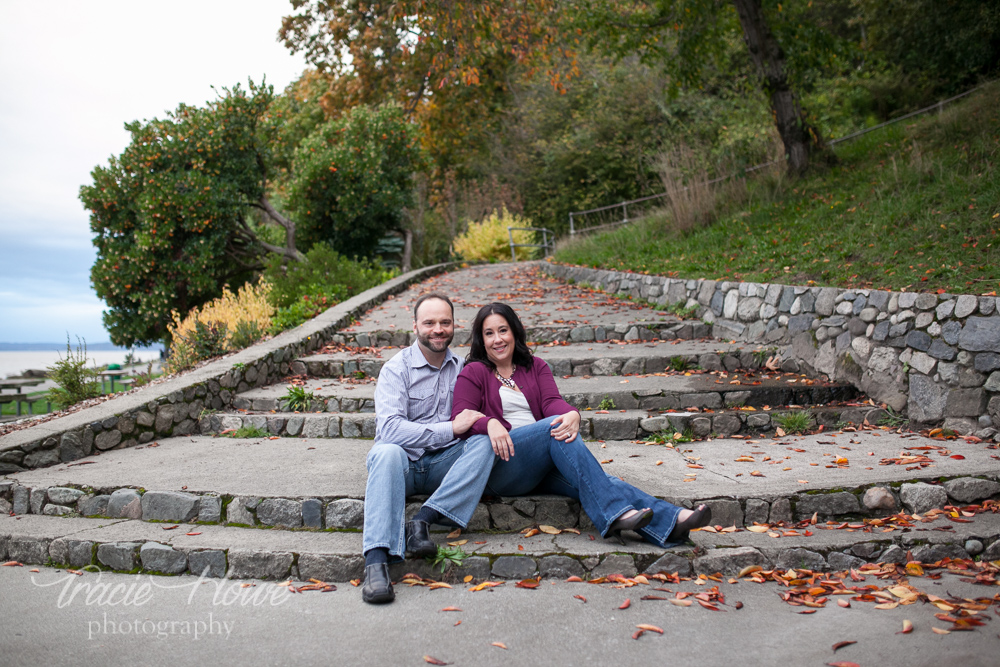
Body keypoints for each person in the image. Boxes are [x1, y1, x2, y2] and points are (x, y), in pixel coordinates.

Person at [451, 302, 712, 548]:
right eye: (489, 333)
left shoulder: (534, 366)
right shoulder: (473, 371)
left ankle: (674, 521)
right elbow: (460, 417)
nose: (498, 339)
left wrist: (572, 414)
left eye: (503, 330)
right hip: (502, 466)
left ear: (514, 332)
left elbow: (552, 401)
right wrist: (489, 423)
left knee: (600, 479)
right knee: (553, 430)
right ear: (481, 340)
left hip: (539, 465)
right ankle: (616, 514)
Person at [361, 293, 494, 605]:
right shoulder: (396, 369)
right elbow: (390, 429)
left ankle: (423, 520)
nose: (438, 329)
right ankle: (376, 562)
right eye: (430, 322)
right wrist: (450, 428)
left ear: (453, 325)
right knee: (385, 451)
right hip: (402, 467)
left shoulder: (464, 368)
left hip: (442, 466)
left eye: (444, 322)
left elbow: (477, 416)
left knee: (484, 440)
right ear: (416, 325)